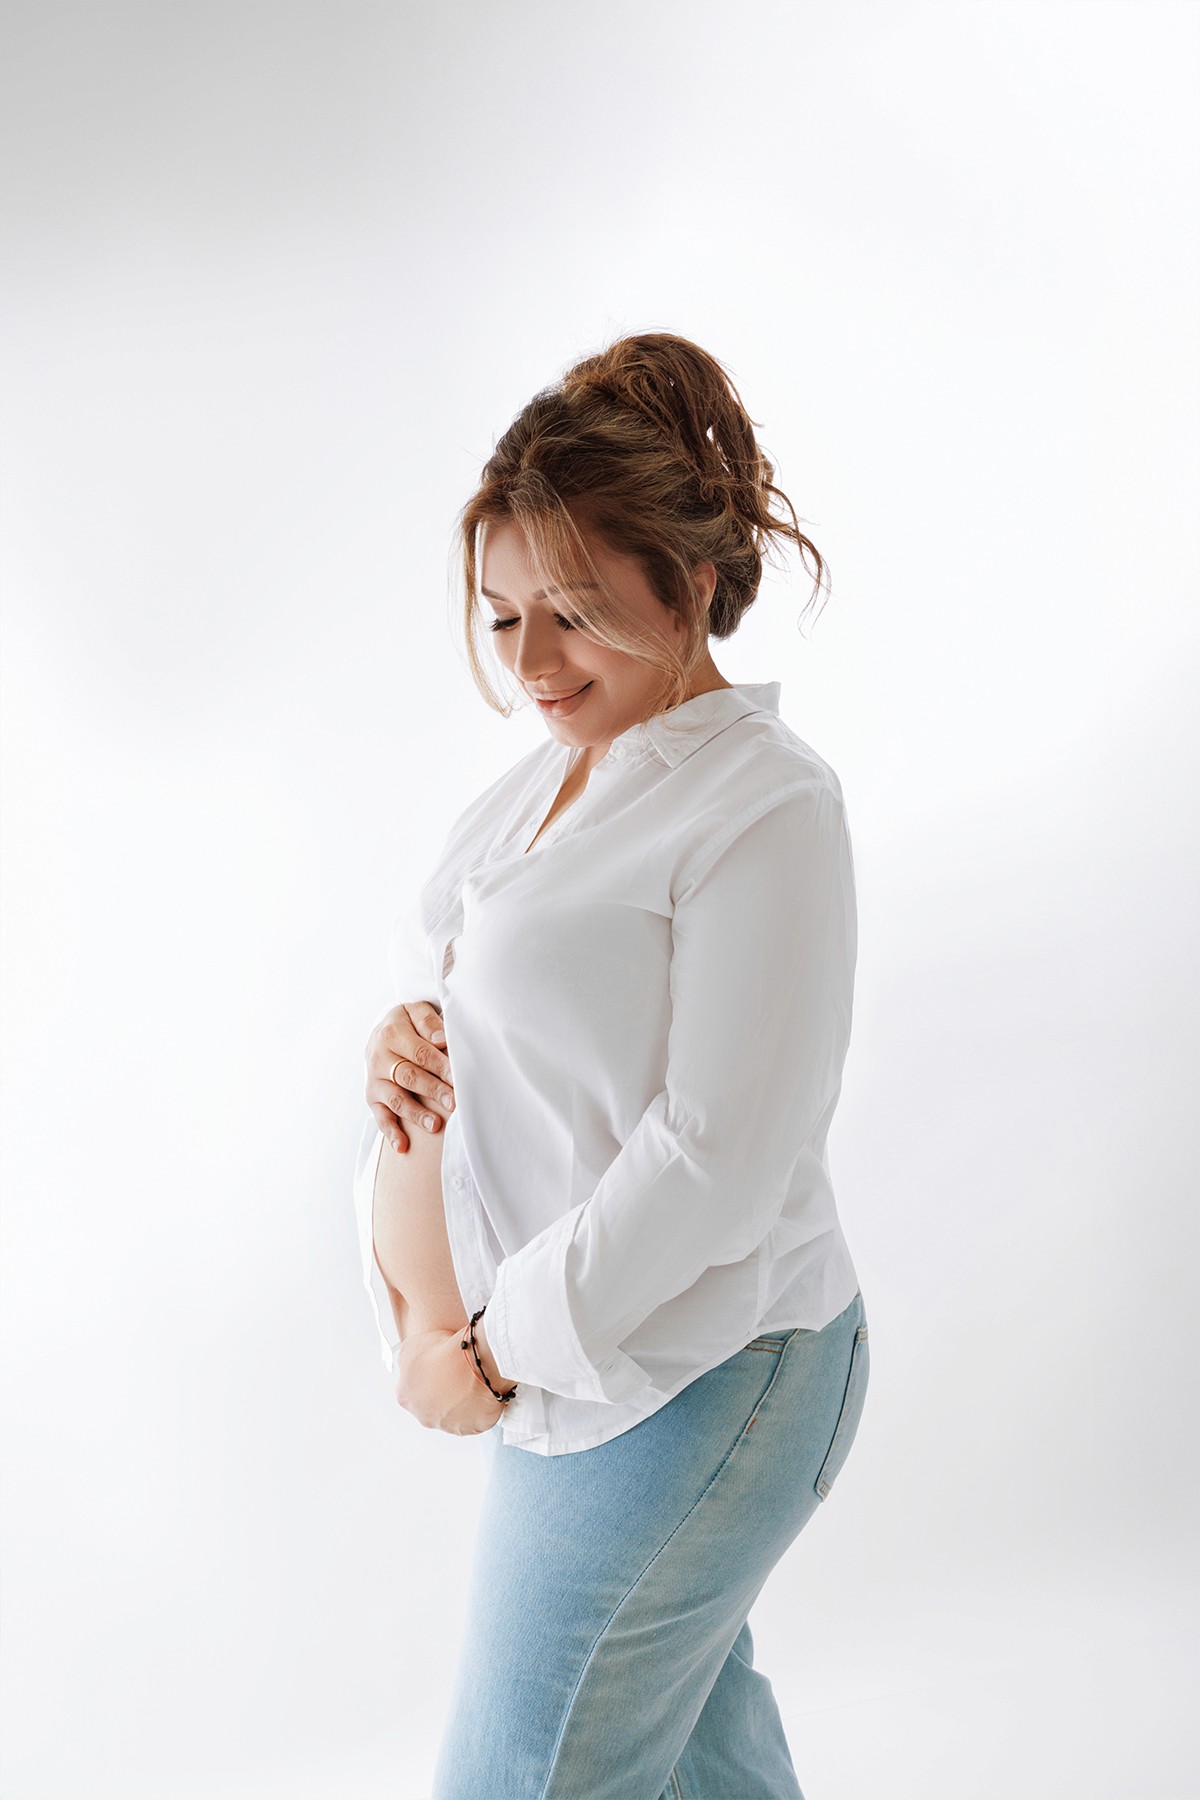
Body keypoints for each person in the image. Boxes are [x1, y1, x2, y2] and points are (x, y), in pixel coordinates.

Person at [352, 331, 871, 1799]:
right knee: (702, 1764)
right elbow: (482, 1006)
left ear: (693, 587)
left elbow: (717, 1158)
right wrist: (400, 1050)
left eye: (570, 615)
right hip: (568, 1362)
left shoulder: (763, 809)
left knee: (525, 1778)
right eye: (502, 615)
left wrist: (496, 1353)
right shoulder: (551, 780)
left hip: (706, 1366)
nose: (527, 664)